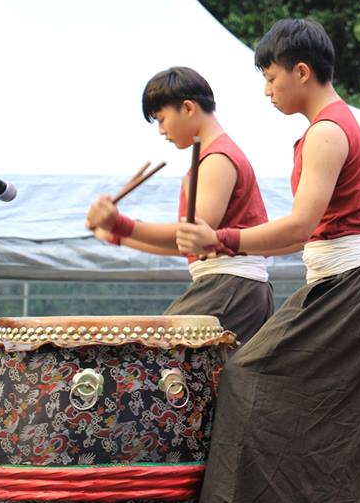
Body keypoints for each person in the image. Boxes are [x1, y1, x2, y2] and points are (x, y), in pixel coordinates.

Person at [176, 19, 360, 503]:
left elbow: (300, 226)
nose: (267, 90)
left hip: (355, 285)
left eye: (271, 77)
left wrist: (221, 238)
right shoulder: (328, 126)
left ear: (301, 72)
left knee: (249, 377)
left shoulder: (327, 132)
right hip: (358, 283)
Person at [85, 67, 274, 344]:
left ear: (187, 108)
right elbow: (187, 245)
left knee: (151, 357)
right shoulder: (211, 157)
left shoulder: (217, 159)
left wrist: (121, 225)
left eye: (162, 119)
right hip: (232, 287)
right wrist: (118, 234)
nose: (162, 131)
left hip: (231, 286)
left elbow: (193, 235)